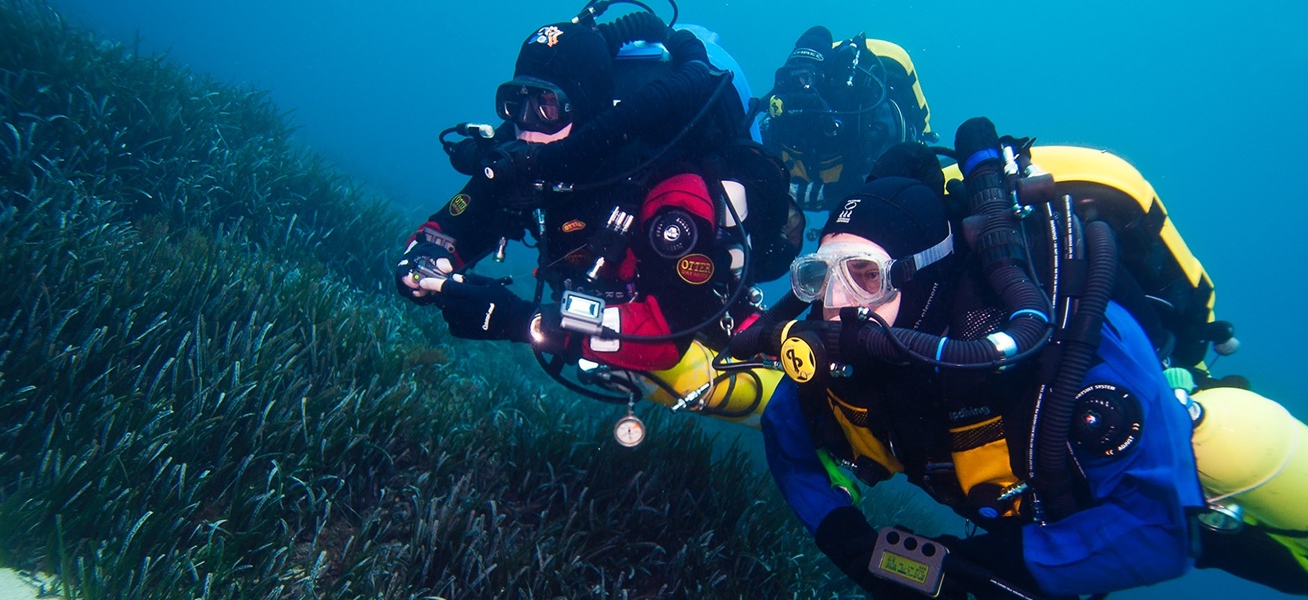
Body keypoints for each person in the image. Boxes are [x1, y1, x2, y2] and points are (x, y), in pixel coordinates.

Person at [730, 118, 1308, 597]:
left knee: (1230, 441)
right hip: (1031, 517)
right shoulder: (832, 365)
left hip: (1178, 483)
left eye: (864, 275)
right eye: (817, 276)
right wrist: (843, 536)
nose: (835, 304)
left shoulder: (1057, 338)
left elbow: (1154, 522)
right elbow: (788, 439)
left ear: (927, 274)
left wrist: (985, 566)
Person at [394, 8, 801, 428]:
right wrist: (425, 257)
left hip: (685, 312)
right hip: (604, 309)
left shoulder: (667, 182)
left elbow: (667, 333)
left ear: (587, 109)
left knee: (702, 376)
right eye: (516, 103)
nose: (527, 127)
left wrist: (523, 321)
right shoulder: (528, 156)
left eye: (547, 105)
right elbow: (455, 225)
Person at [760, 25, 937, 214]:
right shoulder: (780, 121)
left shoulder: (860, 115)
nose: (799, 87)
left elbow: (873, 182)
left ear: (824, 80)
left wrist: (816, 194)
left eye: (807, 77)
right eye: (792, 78)